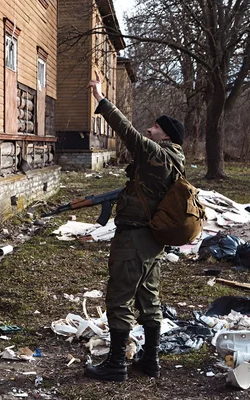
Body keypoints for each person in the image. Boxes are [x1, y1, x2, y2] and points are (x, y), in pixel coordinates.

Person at [84, 71, 186, 381]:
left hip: (135, 239)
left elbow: (127, 132)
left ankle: (116, 365)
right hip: (151, 241)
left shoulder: (158, 155)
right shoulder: (173, 158)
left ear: (165, 135)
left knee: (118, 298)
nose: (149, 129)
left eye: (155, 127)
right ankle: (150, 362)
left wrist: (101, 98)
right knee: (148, 299)